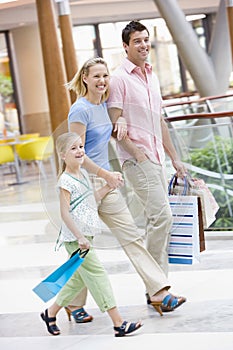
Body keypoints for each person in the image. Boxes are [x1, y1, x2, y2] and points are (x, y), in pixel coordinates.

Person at [65, 57, 186, 319]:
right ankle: (73, 304)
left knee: (131, 236)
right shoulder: (80, 110)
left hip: (107, 183)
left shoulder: (103, 105)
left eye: (105, 76)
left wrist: (118, 125)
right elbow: (75, 153)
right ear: (84, 78)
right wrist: (105, 174)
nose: (102, 81)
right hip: (84, 184)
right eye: (96, 76)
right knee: (85, 246)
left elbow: (109, 127)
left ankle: (158, 292)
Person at [107, 20, 187, 297]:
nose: (143, 45)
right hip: (136, 160)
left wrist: (174, 157)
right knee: (161, 217)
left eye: (145, 39)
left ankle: (157, 287)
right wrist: (139, 154)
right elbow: (114, 126)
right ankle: (156, 288)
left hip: (156, 158)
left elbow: (159, 121)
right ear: (125, 46)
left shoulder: (151, 75)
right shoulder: (118, 79)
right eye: (136, 41)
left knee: (160, 219)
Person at [40, 132, 142, 337]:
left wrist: (108, 186)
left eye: (80, 147)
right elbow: (64, 212)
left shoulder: (83, 174)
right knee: (98, 275)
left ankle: (50, 313)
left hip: (86, 237)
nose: (79, 151)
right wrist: (79, 237)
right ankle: (118, 323)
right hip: (76, 240)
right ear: (62, 154)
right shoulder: (66, 181)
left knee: (78, 280)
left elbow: (88, 202)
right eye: (73, 148)